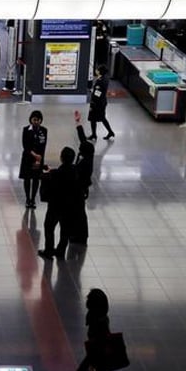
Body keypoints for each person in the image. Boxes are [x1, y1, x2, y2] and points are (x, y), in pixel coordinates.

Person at [37, 147, 80, 261]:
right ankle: (61, 250)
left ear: (61, 158)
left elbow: (46, 178)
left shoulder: (56, 173)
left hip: (55, 206)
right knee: (65, 229)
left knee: (49, 227)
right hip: (69, 206)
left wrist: (45, 172)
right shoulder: (75, 171)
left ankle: (48, 250)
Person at [74, 288, 114, 371]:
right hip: (99, 355)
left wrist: (92, 364)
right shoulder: (101, 317)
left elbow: (98, 342)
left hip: (96, 355)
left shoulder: (96, 321)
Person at [71, 111, 94, 244]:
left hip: (80, 189)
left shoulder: (85, 163)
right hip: (79, 188)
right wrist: (78, 123)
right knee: (78, 213)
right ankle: (78, 234)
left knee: (79, 213)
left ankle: (81, 236)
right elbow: (83, 139)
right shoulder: (86, 154)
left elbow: (77, 172)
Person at [19, 110, 48, 209]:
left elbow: (43, 146)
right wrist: (34, 155)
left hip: (39, 159)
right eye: (34, 120)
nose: (36, 122)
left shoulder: (44, 130)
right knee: (27, 179)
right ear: (31, 120)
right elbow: (25, 146)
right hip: (28, 158)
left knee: (36, 180)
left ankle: (33, 199)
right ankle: (27, 199)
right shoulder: (26, 130)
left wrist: (38, 160)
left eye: (38, 120)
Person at [87, 65, 115, 141]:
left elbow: (98, 93)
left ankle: (94, 135)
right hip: (102, 102)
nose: (96, 70)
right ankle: (109, 132)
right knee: (102, 118)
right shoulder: (105, 78)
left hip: (97, 103)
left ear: (100, 71)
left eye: (97, 69)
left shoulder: (100, 81)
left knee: (93, 118)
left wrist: (92, 91)